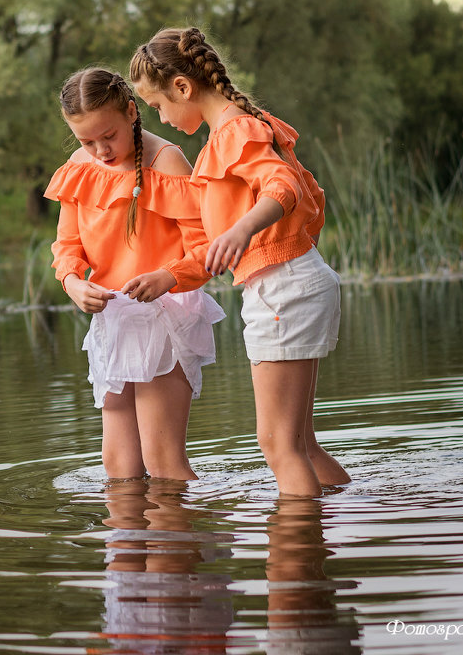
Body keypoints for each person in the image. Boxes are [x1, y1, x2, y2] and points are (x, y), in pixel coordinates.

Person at [129, 27, 350, 497]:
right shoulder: (228, 136)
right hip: (292, 283)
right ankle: (346, 516)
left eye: (158, 106)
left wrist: (242, 228)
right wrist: (168, 276)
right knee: (299, 443)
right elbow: (215, 251)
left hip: (282, 290)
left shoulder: (235, 132)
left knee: (276, 444)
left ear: (183, 87)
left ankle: (296, 564)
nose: (162, 119)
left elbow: (283, 188)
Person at [45, 67, 225, 482]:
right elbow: (66, 244)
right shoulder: (79, 167)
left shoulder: (167, 161)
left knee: (163, 464)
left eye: (108, 136)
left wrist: (167, 276)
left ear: (131, 112)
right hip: (113, 319)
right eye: (86, 141)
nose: (100, 150)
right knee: (119, 468)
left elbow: (204, 247)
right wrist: (73, 282)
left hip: (165, 316)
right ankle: (132, 542)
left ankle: (181, 541)